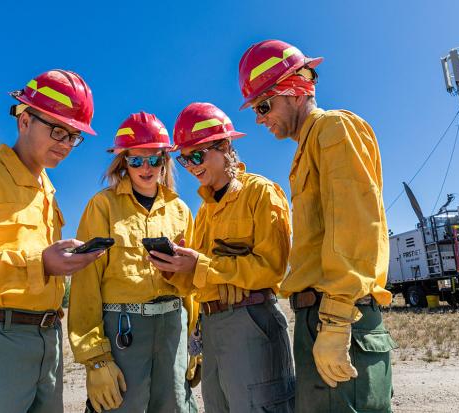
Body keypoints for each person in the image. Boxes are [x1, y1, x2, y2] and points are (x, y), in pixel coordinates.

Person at [238, 39, 398, 412]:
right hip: (320, 316)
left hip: (337, 314)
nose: (260, 118)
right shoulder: (309, 145)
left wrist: (338, 320)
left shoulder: (333, 128)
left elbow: (356, 226)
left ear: (294, 91)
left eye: (264, 105)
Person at [149, 102, 295, 412]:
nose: (191, 166)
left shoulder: (261, 193)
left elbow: (272, 269)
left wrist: (199, 265)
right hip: (211, 327)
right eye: (184, 159)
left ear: (225, 145)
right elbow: (201, 282)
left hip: (251, 322)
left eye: (198, 156)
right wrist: (176, 270)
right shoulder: (203, 212)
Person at [0, 69, 103, 413]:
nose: (66, 144)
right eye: (57, 131)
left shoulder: (48, 190)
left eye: (73, 136)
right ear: (24, 120)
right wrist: (40, 263)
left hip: (48, 340)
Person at [68, 112, 197, 412]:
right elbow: (86, 283)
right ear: (123, 161)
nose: (145, 168)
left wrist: (195, 342)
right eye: (136, 160)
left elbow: (192, 284)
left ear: (165, 160)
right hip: (123, 332)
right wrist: (96, 359)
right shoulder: (103, 206)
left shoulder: (180, 210)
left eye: (153, 159)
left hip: (173, 332)